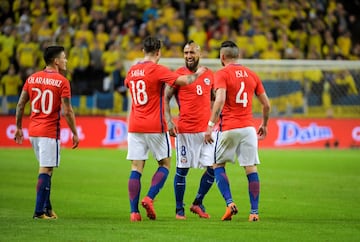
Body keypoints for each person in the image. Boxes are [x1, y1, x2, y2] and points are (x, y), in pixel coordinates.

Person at [125, 36, 207, 222]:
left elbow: (128, 85)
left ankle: (134, 212)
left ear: (143, 50)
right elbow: (185, 81)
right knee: (165, 164)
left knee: (136, 168)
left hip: (135, 125)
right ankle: (149, 197)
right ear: (158, 52)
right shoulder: (157, 70)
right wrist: (199, 73)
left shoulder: (132, 70)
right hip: (154, 126)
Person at [204, 41, 270, 221]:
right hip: (248, 128)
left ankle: (229, 202)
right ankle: (254, 213)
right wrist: (264, 124)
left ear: (222, 57)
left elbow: (220, 100)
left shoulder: (222, 74)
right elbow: (266, 104)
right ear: (238, 56)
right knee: (250, 168)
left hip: (229, 127)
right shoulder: (252, 74)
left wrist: (210, 125)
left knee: (218, 165)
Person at [14, 45, 79, 219]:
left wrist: (19, 127)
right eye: (64, 57)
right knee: (46, 170)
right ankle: (38, 212)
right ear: (56, 61)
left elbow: (21, 104)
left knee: (46, 169)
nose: (66, 60)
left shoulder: (32, 78)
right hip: (49, 131)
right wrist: (74, 132)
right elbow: (67, 111)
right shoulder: (62, 81)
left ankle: (47, 208)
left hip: (33, 131)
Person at [164, 40, 215, 220]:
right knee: (182, 171)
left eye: (192, 52)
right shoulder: (178, 75)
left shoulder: (209, 75)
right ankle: (179, 210)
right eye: (186, 53)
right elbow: (165, 98)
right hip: (185, 131)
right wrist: (169, 121)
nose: (189, 56)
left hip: (206, 132)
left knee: (213, 169)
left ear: (199, 54)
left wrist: (213, 122)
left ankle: (197, 202)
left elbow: (215, 100)